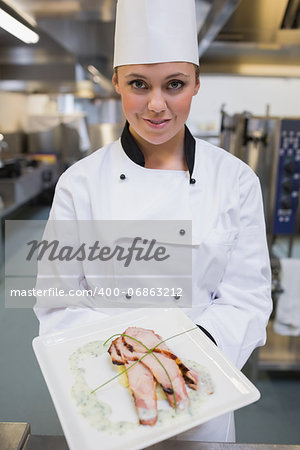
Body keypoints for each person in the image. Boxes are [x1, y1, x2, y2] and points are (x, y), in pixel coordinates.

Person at [34, 0, 272, 442]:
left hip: (202, 388)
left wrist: (184, 352)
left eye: (175, 84)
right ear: (117, 83)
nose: (157, 105)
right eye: (139, 84)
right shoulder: (79, 184)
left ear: (197, 83)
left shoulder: (235, 181)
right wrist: (128, 356)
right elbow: (57, 302)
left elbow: (247, 300)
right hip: (106, 388)